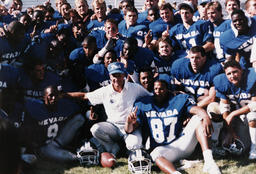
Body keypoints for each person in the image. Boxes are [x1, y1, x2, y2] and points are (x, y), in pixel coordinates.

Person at [125, 79, 221, 174]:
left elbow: (195, 109)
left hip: (182, 142)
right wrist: (129, 123)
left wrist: (204, 115)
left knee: (198, 118)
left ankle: (209, 162)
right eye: (156, 89)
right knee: (155, 154)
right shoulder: (143, 104)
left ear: (168, 89)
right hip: (164, 150)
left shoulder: (179, 99)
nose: (158, 91)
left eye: (161, 89)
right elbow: (129, 130)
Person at [66, 62, 151, 157]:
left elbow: (150, 97)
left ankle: (129, 150)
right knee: (95, 129)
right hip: (112, 127)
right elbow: (84, 96)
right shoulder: (105, 91)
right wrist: (64, 95)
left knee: (134, 145)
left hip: (131, 127)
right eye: (114, 75)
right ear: (109, 76)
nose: (116, 79)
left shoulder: (135, 88)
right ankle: (113, 147)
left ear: (124, 75)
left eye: (119, 75)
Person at [20, 86, 87, 163]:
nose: (54, 98)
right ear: (44, 97)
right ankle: (78, 158)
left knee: (79, 118)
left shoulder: (64, 105)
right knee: (71, 158)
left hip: (57, 141)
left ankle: (78, 147)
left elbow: (78, 111)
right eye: (51, 96)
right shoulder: (35, 106)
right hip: (43, 146)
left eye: (56, 95)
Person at [211, 60, 256, 159]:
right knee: (213, 107)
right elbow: (224, 107)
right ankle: (215, 144)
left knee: (253, 115)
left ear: (241, 71)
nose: (232, 76)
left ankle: (254, 148)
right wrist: (230, 132)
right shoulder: (222, 82)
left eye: (235, 72)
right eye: (229, 73)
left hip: (250, 115)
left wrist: (233, 113)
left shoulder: (252, 77)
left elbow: (254, 105)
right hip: (239, 118)